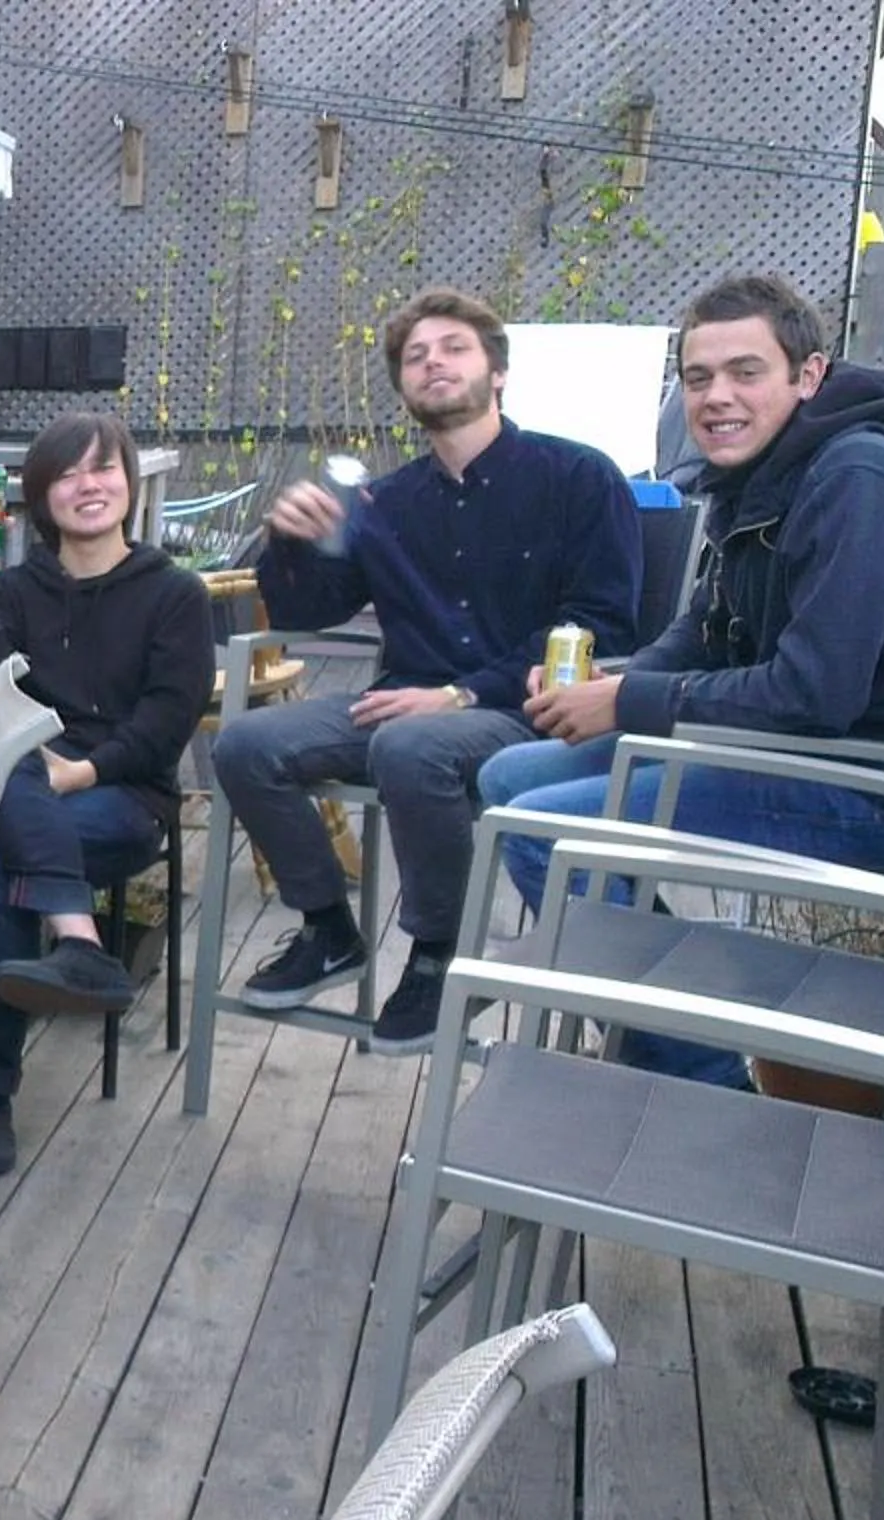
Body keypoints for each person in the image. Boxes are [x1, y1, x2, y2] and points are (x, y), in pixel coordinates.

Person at [479, 274, 884, 1088]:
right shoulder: (759, 478)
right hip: (813, 756)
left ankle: (704, 1080)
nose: (717, 397)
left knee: (541, 830)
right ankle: (653, 1002)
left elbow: (814, 695)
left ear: (809, 376)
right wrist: (623, 684)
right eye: (699, 379)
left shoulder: (857, 481)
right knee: (508, 773)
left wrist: (626, 702)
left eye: (745, 372)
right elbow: (707, 629)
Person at [212, 287, 641, 1055]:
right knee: (246, 745)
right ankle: (329, 929)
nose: (433, 363)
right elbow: (310, 610)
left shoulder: (579, 476)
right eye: (416, 356)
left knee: (412, 749)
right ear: (404, 386)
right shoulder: (387, 500)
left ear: (498, 372)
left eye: (453, 348)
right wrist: (291, 543)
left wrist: (462, 693)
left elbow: (603, 620)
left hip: (530, 708)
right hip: (402, 704)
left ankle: (442, 955)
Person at [0, 412, 208, 1155]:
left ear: (128, 481)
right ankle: (80, 945)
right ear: (37, 495)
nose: (88, 486)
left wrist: (81, 771)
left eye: (104, 469)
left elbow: (167, 720)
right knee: (4, 784)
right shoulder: (18, 591)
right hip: (25, 779)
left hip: (123, 795)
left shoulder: (175, 594)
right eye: (67, 474)